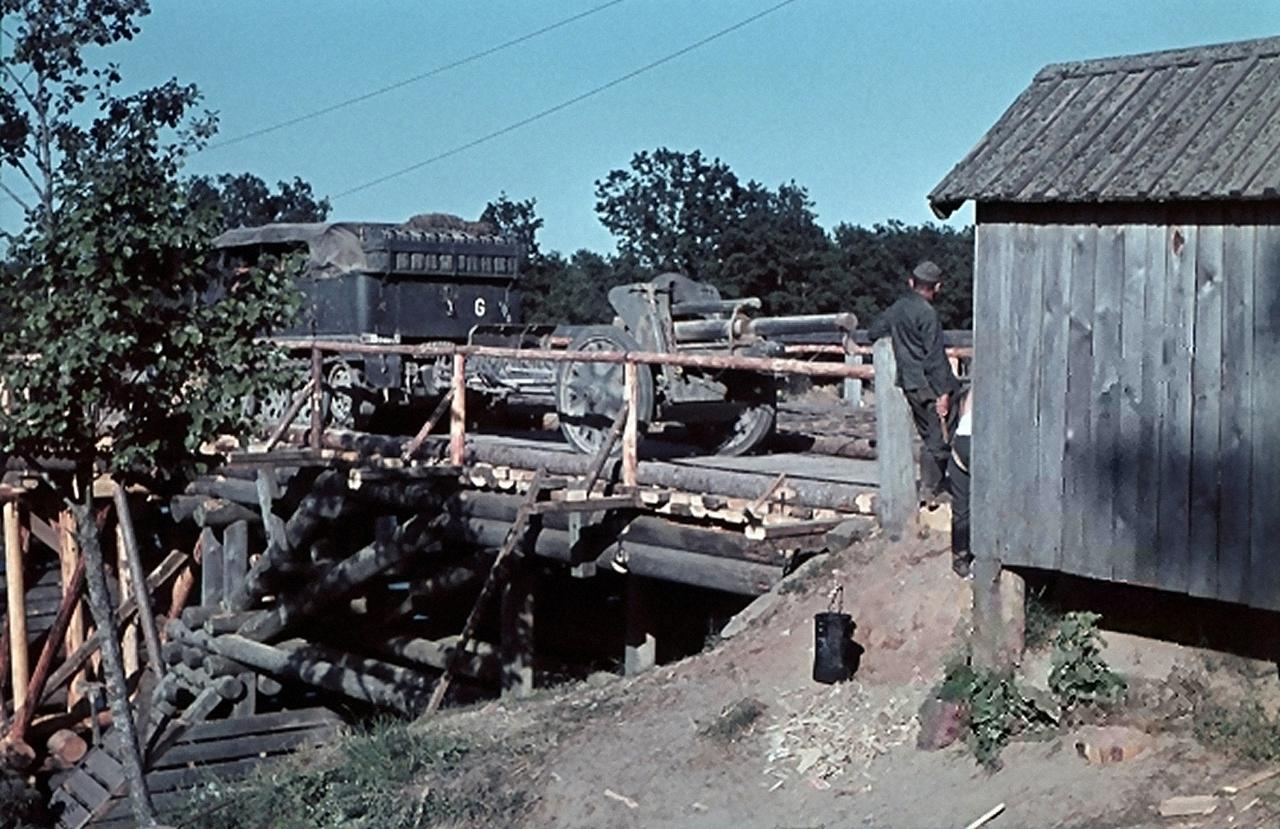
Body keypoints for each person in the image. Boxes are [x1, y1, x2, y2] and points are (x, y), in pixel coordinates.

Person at [868, 260, 960, 504]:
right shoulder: (928, 314)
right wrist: (943, 393)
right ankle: (931, 490)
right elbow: (934, 357)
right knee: (938, 438)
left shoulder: (898, 308)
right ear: (937, 287)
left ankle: (930, 487)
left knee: (928, 434)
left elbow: (874, 330)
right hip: (930, 384)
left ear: (911, 282)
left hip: (910, 383)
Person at [948, 386, 973, 577]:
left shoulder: (973, 388)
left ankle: (960, 556)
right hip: (978, 441)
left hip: (961, 440)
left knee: (961, 507)